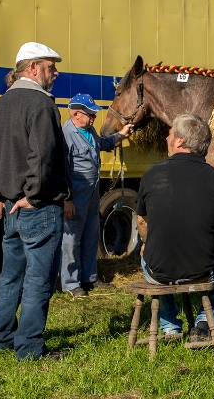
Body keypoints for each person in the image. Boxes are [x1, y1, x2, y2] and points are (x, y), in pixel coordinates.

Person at [0, 42, 72, 361]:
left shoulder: (1, 104)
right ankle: (29, 348)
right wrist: (32, 196)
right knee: (38, 279)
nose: (56, 72)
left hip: (9, 208)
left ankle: (1, 338)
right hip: (39, 207)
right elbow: (42, 157)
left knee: (10, 276)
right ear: (33, 68)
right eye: (51, 66)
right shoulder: (42, 105)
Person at [136, 113, 214, 346]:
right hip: (203, 269)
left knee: (152, 259)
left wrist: (147, 242)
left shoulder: (152, 174)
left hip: (157, 269)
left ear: (180, 141)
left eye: (170, 133)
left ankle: (170, 326)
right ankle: (204, 322)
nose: (166, 137)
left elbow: (142, 222)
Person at [60, 93, 133, 298]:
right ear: (75, 114)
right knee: (71, 239)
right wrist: (66, 199)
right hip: (75, 195)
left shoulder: (89, 131)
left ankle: (89, 278)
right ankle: (71, 284)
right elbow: (61, 170)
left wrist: (122, 135)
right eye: (89, 114)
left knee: (91, 236)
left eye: (93, 114)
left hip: (92, 193)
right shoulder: (66, 135)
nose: (93, 118)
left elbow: (104, 144)